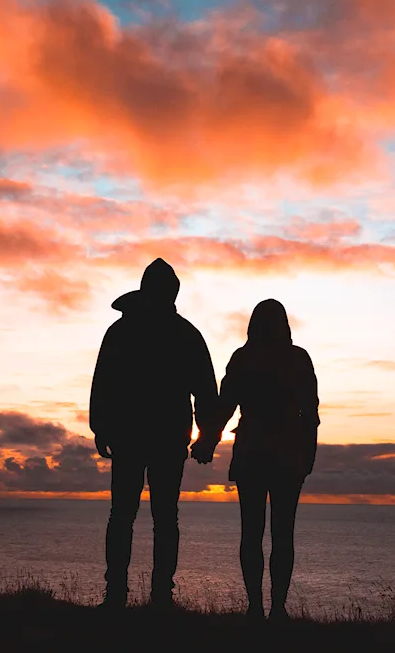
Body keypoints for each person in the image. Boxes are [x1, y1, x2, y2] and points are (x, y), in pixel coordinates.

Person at [90, 258, 220, 609]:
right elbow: (206, 390)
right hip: (161, 434)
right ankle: (153, 594)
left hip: (137, 434)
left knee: (127, 514)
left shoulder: (123, 331)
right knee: (160, 517)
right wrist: (206, 436)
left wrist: (101, 425)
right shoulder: (184, 333)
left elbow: (103, 382)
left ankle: (126, 593)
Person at [192, 299, 319, 621]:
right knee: (282, 534)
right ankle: (276, 608)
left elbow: (225, 406)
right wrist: (307, 456)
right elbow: (310, 414)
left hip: (253, 452)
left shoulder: (244, 358)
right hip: (288, 454)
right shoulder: (298, 358)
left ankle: (256, 608)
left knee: (252, 532)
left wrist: (207, 441)